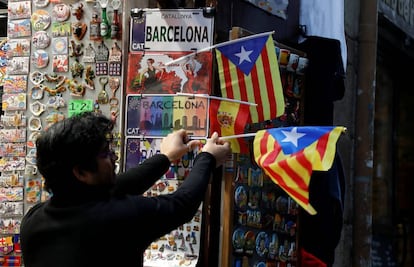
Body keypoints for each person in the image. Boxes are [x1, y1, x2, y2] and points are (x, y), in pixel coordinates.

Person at [20, 111, 231, 267]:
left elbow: (118, 186)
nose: (114, 157)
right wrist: (208, 158)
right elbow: (182, 204)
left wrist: (165, 157)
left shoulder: (34, 220)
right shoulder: (116, 218)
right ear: (81, 172)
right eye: (105, 153)